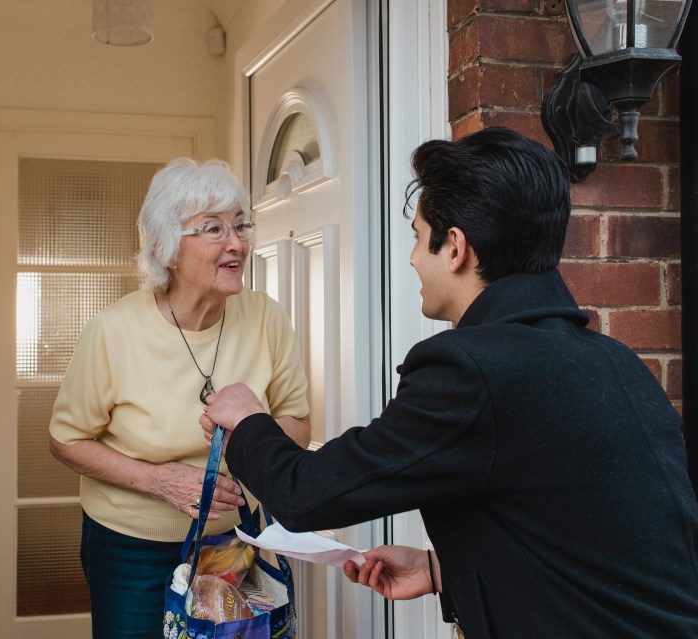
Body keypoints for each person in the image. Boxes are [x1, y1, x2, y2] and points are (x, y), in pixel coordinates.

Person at [200, 127, 698, 638]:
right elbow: (586, 541)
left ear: (455, 247)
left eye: (418, 237)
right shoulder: (617, 360)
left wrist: (248, 418)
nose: (414, 258)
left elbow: (306, 496)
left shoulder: (470, 370)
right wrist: (439, 570)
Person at [49, 157, 310, 639]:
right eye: (213, 228)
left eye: (240, 225)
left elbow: (296, 419)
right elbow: (65, 440)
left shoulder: (266, 319)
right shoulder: (113, 331)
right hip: (129, 546)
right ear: (167, 249)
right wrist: (159, 481)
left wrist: (246, 442)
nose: (237, 243)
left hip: (230, 541)